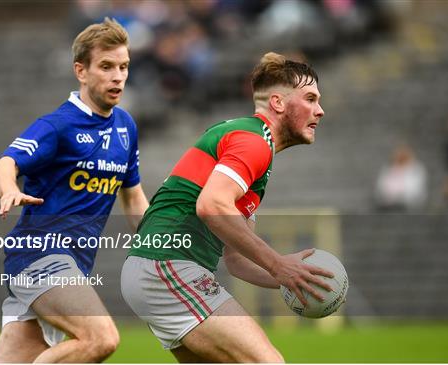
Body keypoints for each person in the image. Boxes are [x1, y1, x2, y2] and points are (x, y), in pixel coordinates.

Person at [121, 52, 334, 363]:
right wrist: (277, 263)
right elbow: (211, 205)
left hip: (160, 269)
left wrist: (292, 277)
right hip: (167, 264)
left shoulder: (253, 150)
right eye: (311, 98)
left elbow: (235, 260)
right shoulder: (254, 141)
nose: (320, 110)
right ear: (277, 103)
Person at [0, 17, 149, 363]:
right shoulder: (57, 126)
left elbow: (133, 196)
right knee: (100, 338)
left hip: (70, 266)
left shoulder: (125, 126)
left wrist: (159, 242)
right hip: (39, 256)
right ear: (81, 71)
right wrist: (7, 189)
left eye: (123, 66)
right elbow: (3, 166)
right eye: (106, 66)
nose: (118, 76)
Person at [374, 144, 428, 211]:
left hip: (409, 204)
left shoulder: (416, 169)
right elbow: (381, 185)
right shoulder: (389, 168)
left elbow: (417, 189)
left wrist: (400, 195)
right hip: (389, 203)